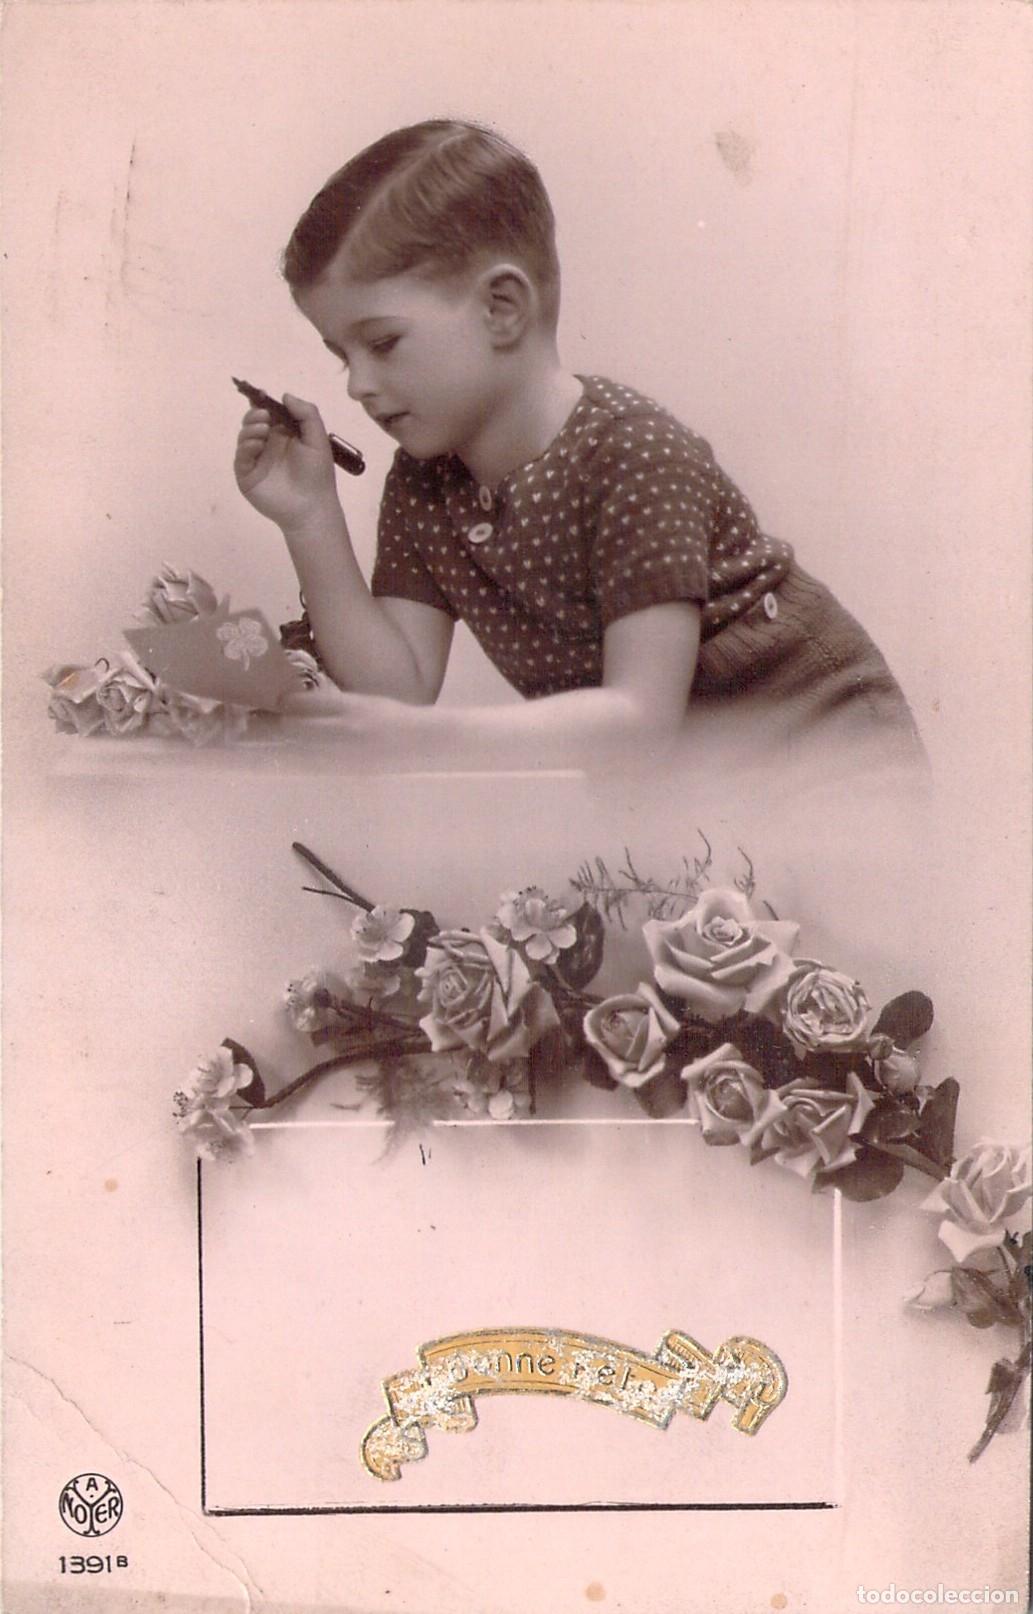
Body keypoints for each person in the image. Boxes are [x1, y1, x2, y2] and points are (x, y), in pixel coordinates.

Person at [234, 118, 922, 765]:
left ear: (501, 308)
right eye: (340, 354)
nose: (356, 384)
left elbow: (637, 720)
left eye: (381, 343)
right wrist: (310, 515)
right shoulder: (424, 481)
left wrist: (428, 739)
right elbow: (398, 688)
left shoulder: (632, 454)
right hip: (689, 784)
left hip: (823, 753)